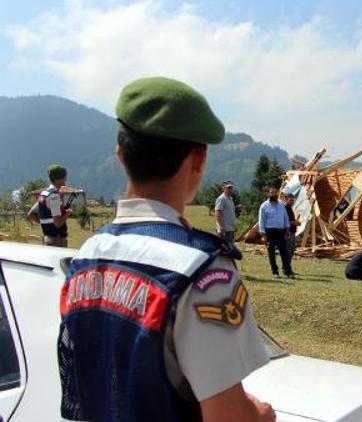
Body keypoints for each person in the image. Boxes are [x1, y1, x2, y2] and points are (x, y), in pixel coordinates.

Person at [57, 77, 275, 422]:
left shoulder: (85, 258)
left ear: (119, 154)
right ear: (198, 160)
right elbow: (228, 417)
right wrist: (259, 415)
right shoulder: (201, 270)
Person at [28, 164, 72, 247]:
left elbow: (30, 214)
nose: (65, 180)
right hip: (57, 240)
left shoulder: (44, 194)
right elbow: (58, 223)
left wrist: (45, 224)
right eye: (64, 177)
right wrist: (67, 214)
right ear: (58, 179)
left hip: (47, 238)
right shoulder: (54, 196)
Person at [258, 187, 293, 279]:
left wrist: (288, 229)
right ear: (268, 194)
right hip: (270, 232)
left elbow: (285, 218)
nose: (274, 194)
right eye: (272, 193)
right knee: (272, 253)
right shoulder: (264, 206)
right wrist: (263, 234)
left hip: (281, 232)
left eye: (275, 192)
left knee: (284, 252)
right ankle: (275, 272)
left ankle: (287, 271)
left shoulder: (281, 205)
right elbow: (261, 221)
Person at [284, 194, 299, 262]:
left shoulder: (290, 208)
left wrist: (296, 223)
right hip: (287, 233)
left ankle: (288, 268)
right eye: (290, 200)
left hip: (292, 232)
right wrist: (294, 223)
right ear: (286, 200)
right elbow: (283, 222)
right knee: (288, 251)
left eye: (293, 200)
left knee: (291, 250)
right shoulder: (285, 209)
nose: (292, 202)